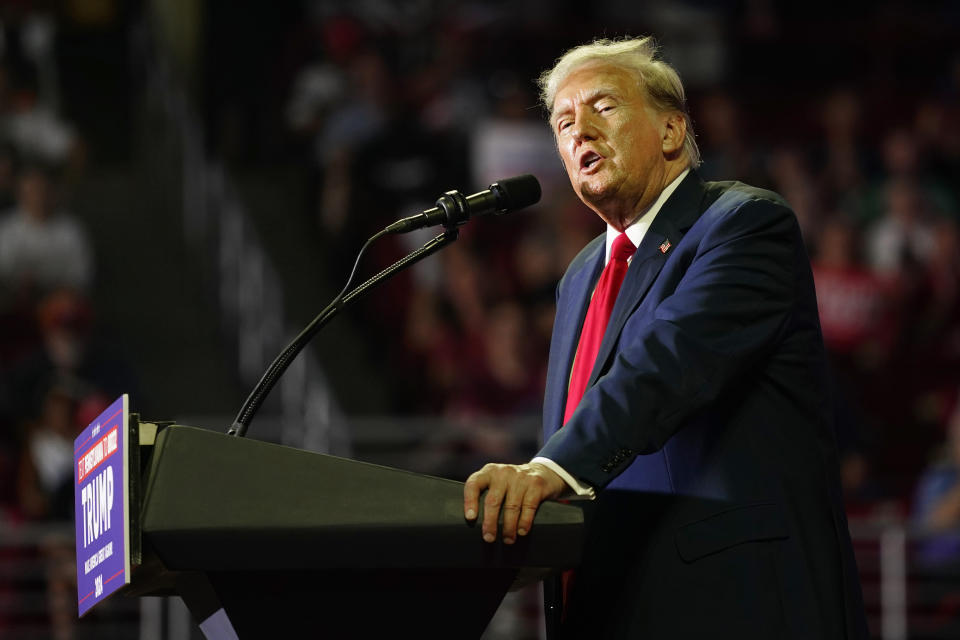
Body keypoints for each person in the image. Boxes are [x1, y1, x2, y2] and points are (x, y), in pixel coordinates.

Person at [462, 37, 868, 638]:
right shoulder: (579, 278)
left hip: (733, 604)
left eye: (602, 107)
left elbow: (665, 365)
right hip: (604, 603)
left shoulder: (742, 226)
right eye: (564, 122)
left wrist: (549, 470)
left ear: (672, 131)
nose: (580, 133)